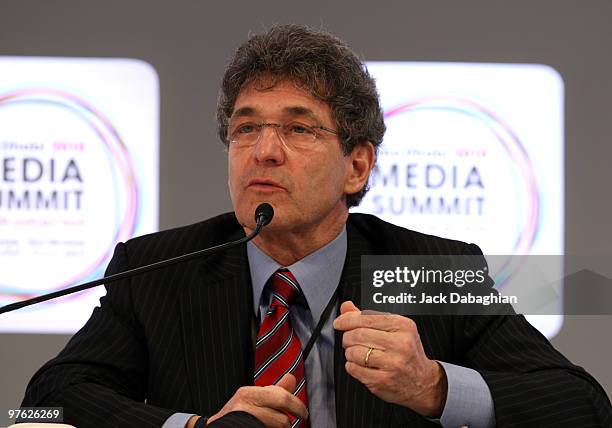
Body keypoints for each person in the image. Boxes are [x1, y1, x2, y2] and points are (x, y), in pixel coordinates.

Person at [22, 24, 611, 428]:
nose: (264, 151)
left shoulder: (430, 272)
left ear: (357, 165)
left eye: (298, 129)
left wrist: (433, 387)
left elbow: (584, 406)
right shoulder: (158, 269)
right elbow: (46, 403)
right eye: (246, 128)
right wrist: (196, 426)